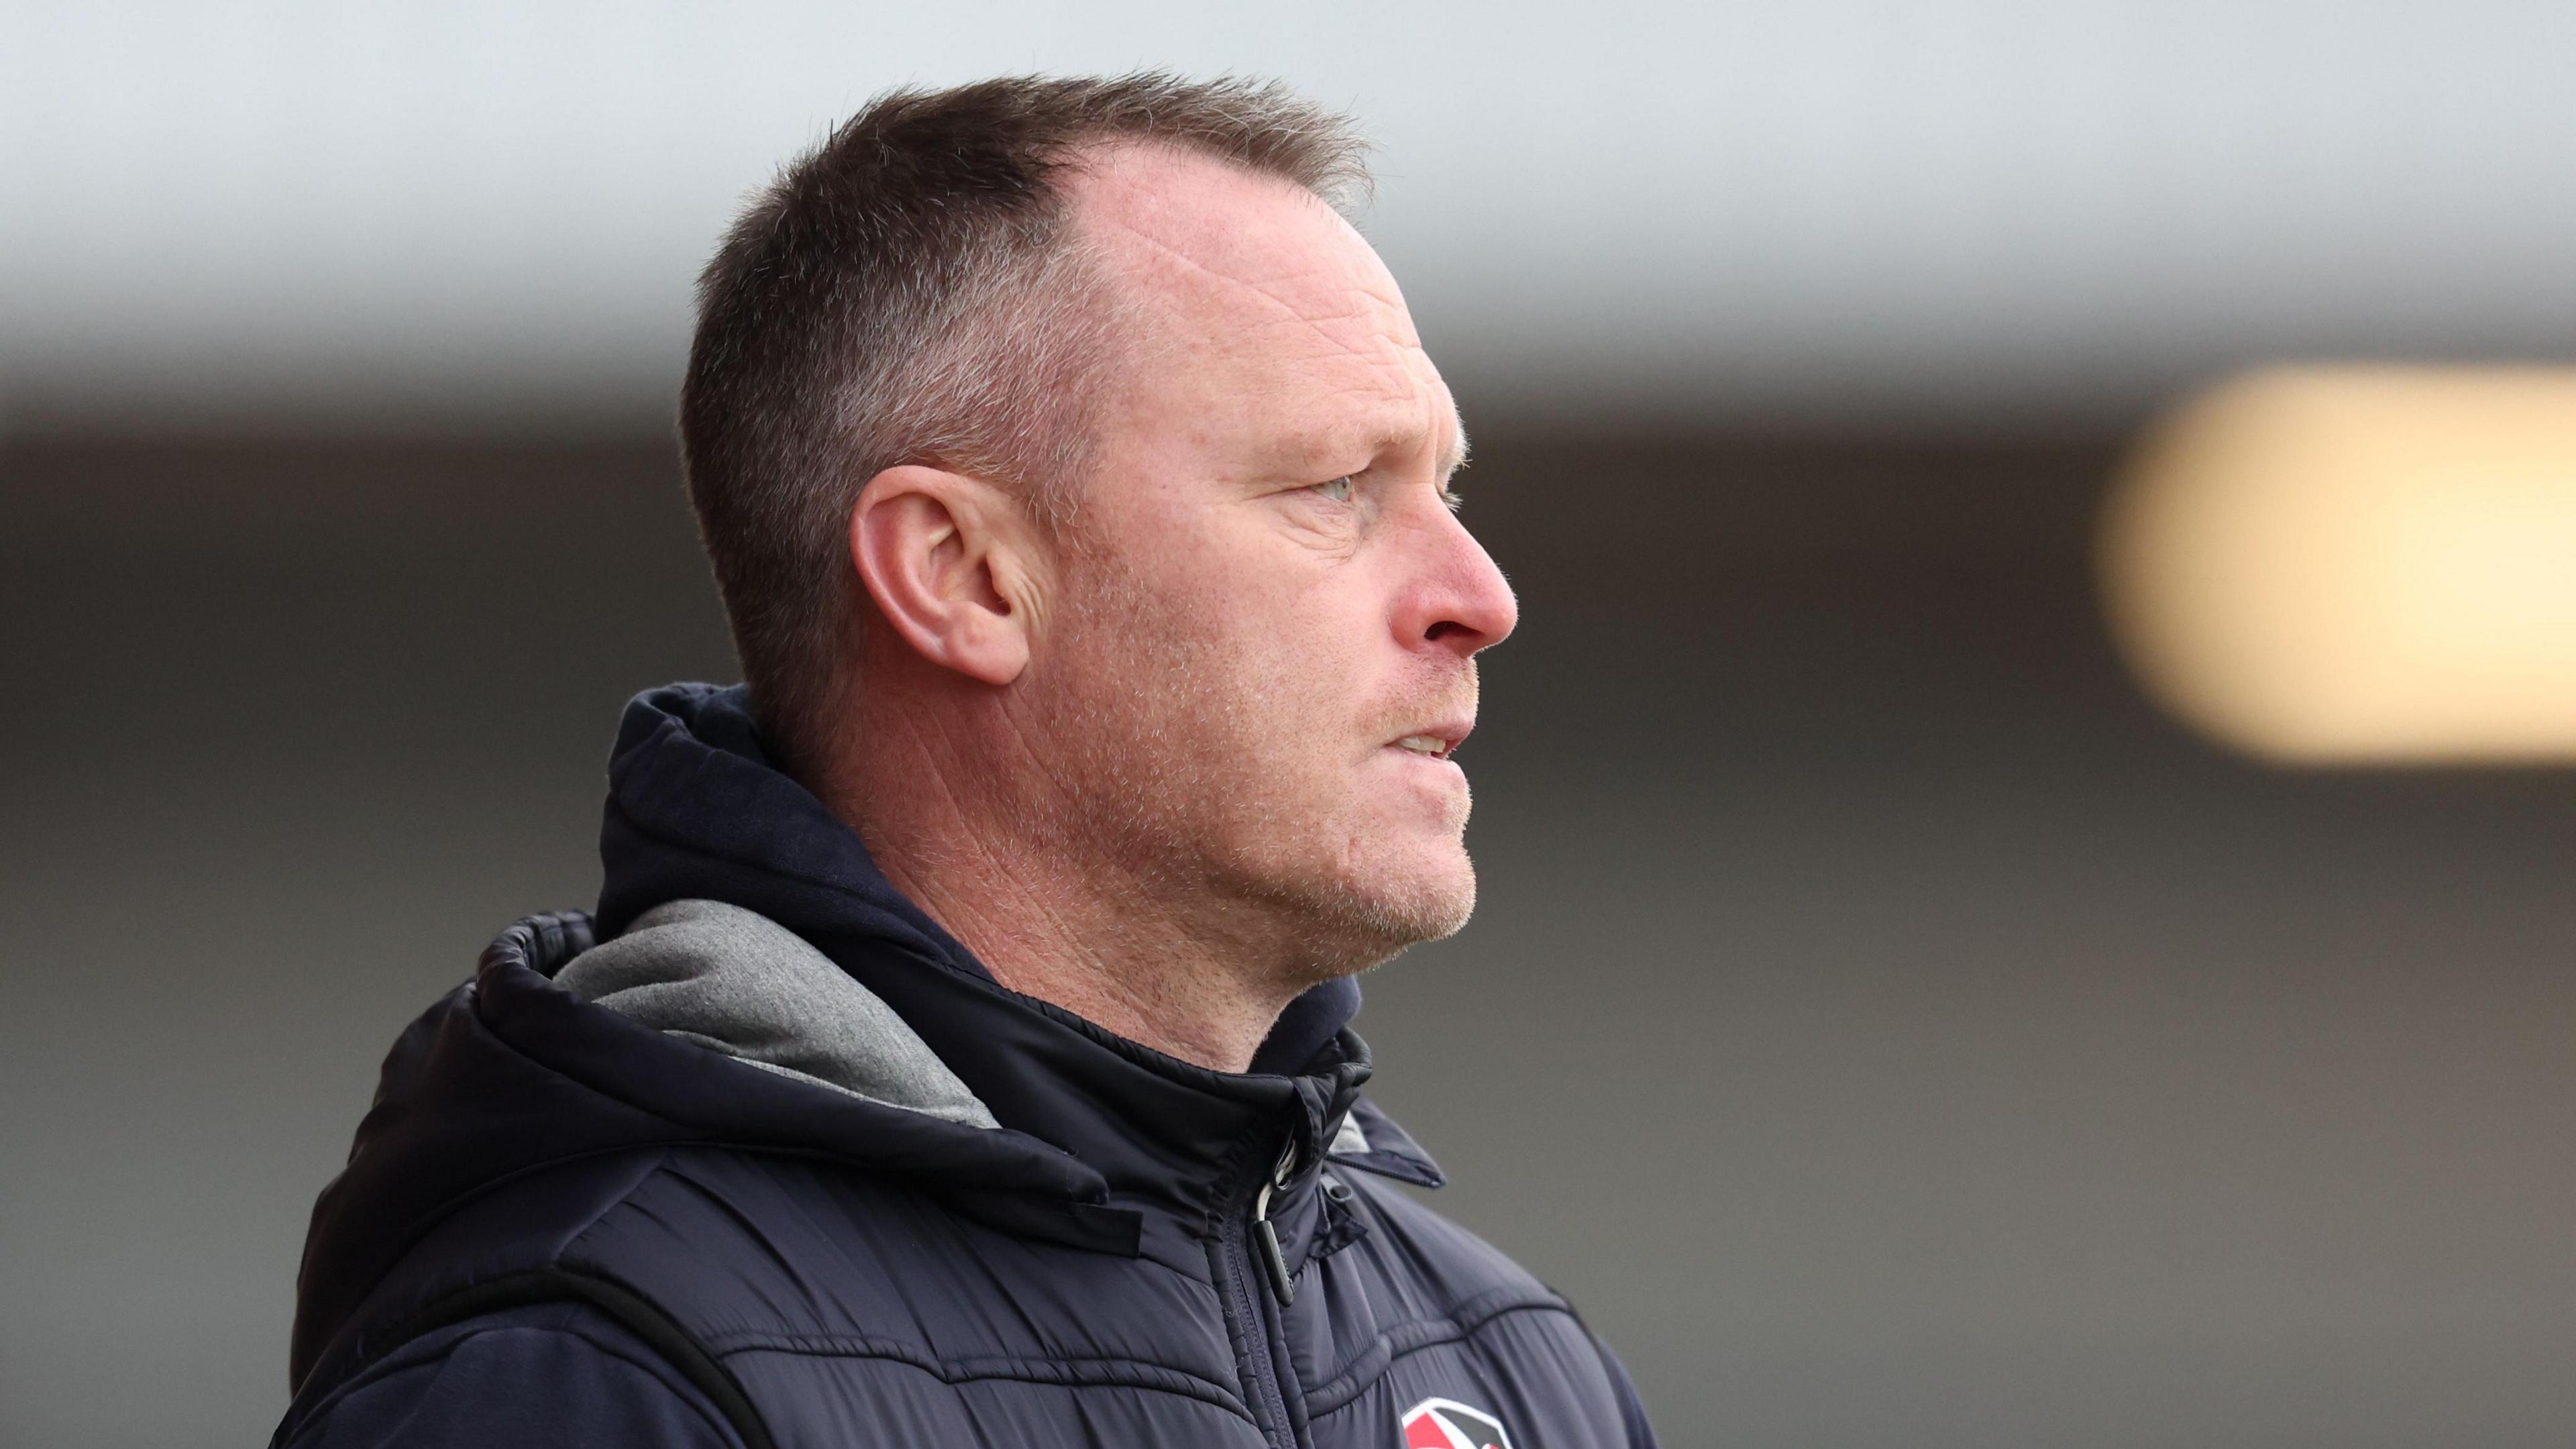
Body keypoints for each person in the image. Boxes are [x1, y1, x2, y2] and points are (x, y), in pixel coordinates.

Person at [271, 73, 1659, 1449]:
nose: (1480, 593)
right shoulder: (590, 1387)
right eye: (1334, 489)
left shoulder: (1517, 1373)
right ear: (963, 576)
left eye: (1446, 487)